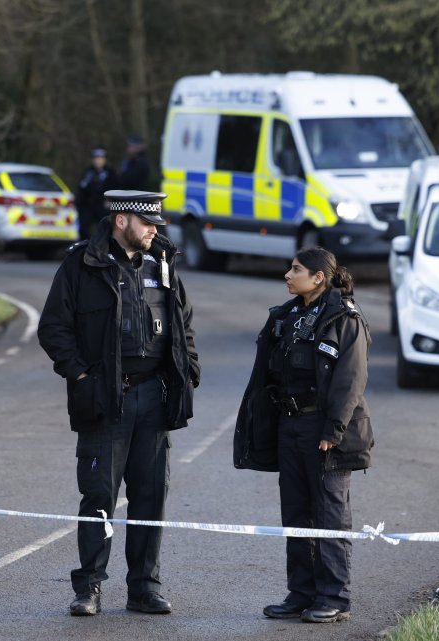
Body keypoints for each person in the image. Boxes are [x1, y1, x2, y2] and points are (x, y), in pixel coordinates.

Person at [38, 189, 201, 617]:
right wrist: (79, 374)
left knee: (150, 498)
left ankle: (145, 588)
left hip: (155, 397)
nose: (154, 230)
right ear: (120, 220)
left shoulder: (162, 264)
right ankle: (89, 587)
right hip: (106, 398)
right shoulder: (81, 264)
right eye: (147, 222)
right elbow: (53, 327)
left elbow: (183, 323)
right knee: (99, 496)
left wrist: (190, 370)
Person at [233, 246, 374, 624]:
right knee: (295, 513)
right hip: (290, 424)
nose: (287, 274)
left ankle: (334, 597)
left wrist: (333, 430)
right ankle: (302, 593)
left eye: (295, 269)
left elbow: (351, 379)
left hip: (325, 428)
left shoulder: (344, 318)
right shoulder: (286, 316)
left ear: (318, 278)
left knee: (329, 514)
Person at [76, 146, 116, 241]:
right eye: (96, 158)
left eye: (100, 158)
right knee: (83, 229)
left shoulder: (110, 173)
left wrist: (110, 200)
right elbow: (81, 188)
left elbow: (115, 188)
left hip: (103, 206)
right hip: (88, 205)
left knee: (105, 229)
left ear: (105, 159)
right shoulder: (88, 172)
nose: (98, 161)